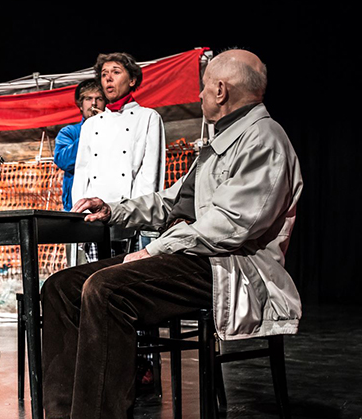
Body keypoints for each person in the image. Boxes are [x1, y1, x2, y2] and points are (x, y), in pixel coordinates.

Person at [41, 49, 303, 418]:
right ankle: (64, 413)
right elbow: (170, 201)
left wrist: (156, 250)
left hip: (229, 266)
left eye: (204, 86)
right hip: (189, 256)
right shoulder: (221, 141)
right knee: (61, 287)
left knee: (106, 289)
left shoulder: (263, 138)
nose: (199, 95)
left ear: (221, 91)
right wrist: (114, 210)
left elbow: (232, 226)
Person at [71, 52, 167, 260]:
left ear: (132, 80)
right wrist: (80, 214)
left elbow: (150, 173)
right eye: (104, 74)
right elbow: (82, 172)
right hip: (93, 220)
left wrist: (137, 216)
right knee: (92, 280)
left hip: (128, 220)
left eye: (116, 72)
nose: (108, 78)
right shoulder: (91, 125)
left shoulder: (148, 117)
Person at [54, 79, 105, 266]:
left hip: (107, 212)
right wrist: (89, 129)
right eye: (88, 99)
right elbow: (64, 160)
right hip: (76, 214)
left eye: (99, 98)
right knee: (78, 273)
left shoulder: (113, 130)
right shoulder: (70, 132)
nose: (94, 103)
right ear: (80, 104)